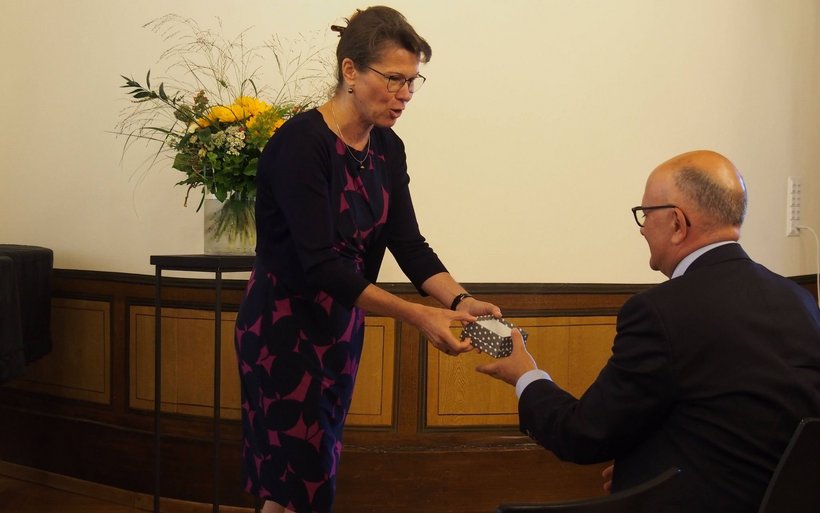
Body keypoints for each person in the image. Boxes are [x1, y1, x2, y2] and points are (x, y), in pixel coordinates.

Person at [233, 6, 501, 513]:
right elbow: (321, 264)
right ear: (350, 71)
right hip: (283, 330)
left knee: (302, 479)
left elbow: (409, 244)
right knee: (302, 481)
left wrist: (460, 301)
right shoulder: (301, 143)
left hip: (339, 328)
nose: (405, 94)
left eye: (412, 81)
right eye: (394, 79)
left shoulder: (387, 148)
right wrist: (418, 315)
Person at [477, 150, 820, 513]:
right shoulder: (799, 301)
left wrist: (526, 376)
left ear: (677, 223)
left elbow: (583, 434)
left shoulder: (661, 311)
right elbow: (736, 422)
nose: (641, 228)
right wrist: (644, 464)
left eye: (645, 213)